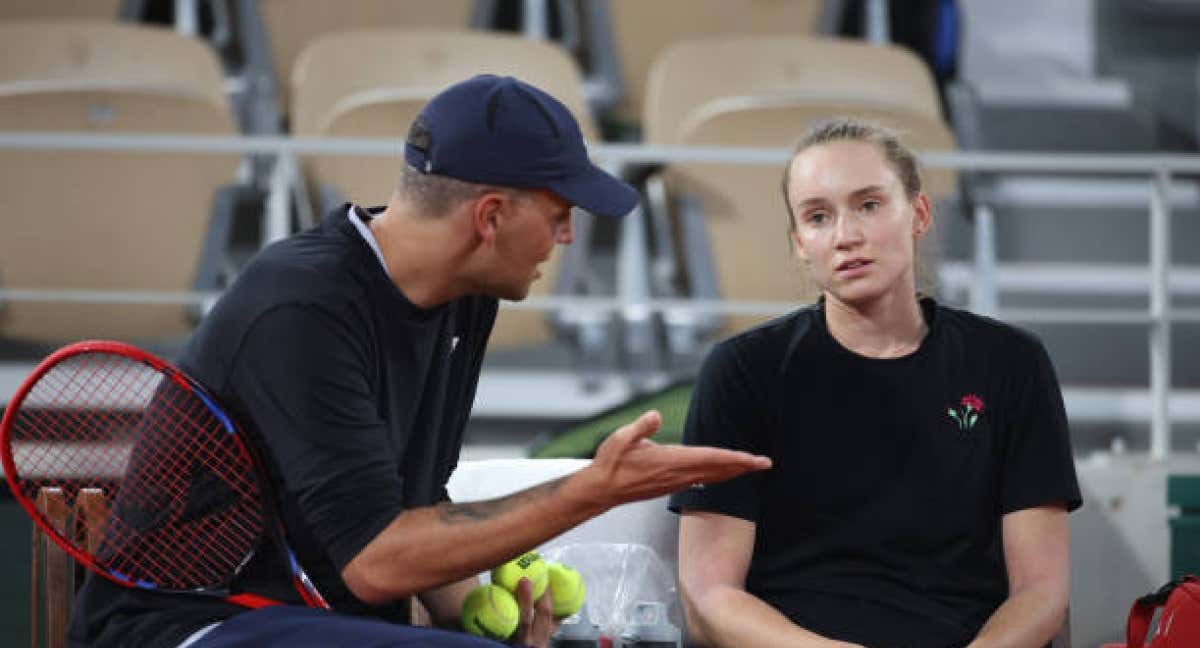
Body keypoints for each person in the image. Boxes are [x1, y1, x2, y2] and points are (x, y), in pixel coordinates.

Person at [69, 75, 772, 648]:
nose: (566, 237)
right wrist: (595, 488)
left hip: (307, 623)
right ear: (490, 217)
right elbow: (378, 562)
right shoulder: (299, 306)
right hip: (187, 626)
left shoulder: (467, 296)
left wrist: (481, 619)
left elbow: (419, 509)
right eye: (560, 212)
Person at [670, 118, 1081, 648]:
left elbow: (1041, 591)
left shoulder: (1010, 363)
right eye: (818, 217)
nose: (847, 236)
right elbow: (708, 595)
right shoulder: (742, 371)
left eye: (869, 204)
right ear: (799, 242)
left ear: (920, 214)